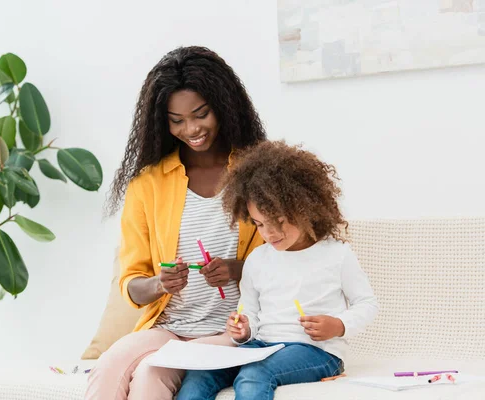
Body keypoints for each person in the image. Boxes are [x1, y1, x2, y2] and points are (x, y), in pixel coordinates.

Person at [84, 46, 266, 400]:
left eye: (201, 114)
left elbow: (283, 264)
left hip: (234, 329)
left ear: (224, 107)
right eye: (177, 120)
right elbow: (132, 284)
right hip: (169, 327)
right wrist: (159, 283)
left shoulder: (257, 172)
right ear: (161, 121)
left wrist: (235, 269)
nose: (192, 129)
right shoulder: (147, 184)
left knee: (151, 374)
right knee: (109, 366)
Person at [177, 141, 379, 400]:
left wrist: (339, 325)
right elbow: (249, 310)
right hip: (260, 346)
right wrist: (243, 329)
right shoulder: (257, 259)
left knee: (255, 375)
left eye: (278, 222)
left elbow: (367, 303)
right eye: (260, 224)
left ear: (306, 208)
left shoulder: (335, 254)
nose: (268, 233)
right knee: (199, 376)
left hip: (316, 351)